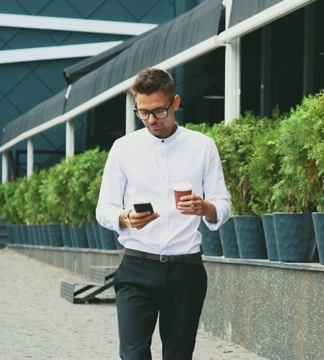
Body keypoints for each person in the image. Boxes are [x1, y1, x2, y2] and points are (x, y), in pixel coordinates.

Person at [96, 67, 230, 360]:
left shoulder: (202, 146)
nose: (151, 120)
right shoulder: (123, 148)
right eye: (142, 113)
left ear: (176, 103)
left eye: (158, 111)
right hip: (136, 266)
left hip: (186, 270)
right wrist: (125, 218)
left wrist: (205, 207)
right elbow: (103, 208)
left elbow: (223, 204)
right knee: (133, 355)